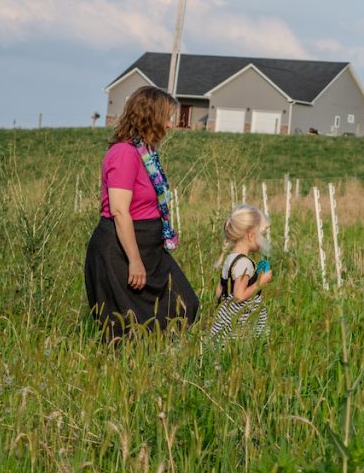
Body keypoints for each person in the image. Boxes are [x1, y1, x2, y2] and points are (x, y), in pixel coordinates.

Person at [84, 86, 199, 340]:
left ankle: (164, 366)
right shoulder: (124, 154)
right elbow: (119, 211)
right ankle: (126, 375)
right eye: (166, 118)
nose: (170, 126)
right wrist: (134, 260)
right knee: (126, 330)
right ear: (150, 117)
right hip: (121, 249)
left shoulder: (146, 153)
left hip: (151, 248)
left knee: (185, 305)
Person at [210, 204, 273, 342]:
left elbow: (219, 291)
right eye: (261, 235)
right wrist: (260, 281)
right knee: (244, 349)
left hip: (225, 317)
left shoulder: (230, 258)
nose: (263, 239)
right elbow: (239, 295)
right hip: (241, 322)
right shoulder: (245, 264)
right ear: (251, 235)